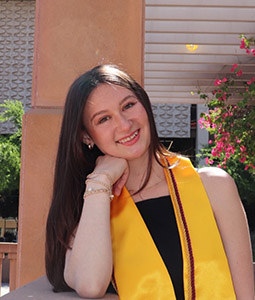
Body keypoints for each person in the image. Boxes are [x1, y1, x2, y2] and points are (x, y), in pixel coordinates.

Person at [45, 64, 254, 300]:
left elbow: (246, 295)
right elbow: (90, 285)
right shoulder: (93, 211)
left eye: (129, 105)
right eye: (104, 119)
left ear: (145, 105)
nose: (124, 124)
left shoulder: (214, 187)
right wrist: (101, 179)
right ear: (86, 136)